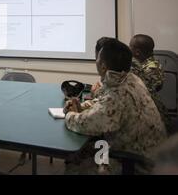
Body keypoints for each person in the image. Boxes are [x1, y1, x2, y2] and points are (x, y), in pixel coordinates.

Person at [64, 39, 166, 174]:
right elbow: (103, 102)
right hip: (151, 152)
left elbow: (84, 124)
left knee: (76, 164)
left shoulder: (118, 94)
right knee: (83, 151)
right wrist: (82, 106)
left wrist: (70, 114)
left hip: (138, 163)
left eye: (98, 58)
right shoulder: (130, 78)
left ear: (104, 66)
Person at [129, 34, 170, 132]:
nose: (128, 49)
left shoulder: (151, 68)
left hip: (152, 118)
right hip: (145, 112)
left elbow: (137, 91)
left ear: (137, 52)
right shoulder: (147, 64)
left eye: (130, 46)